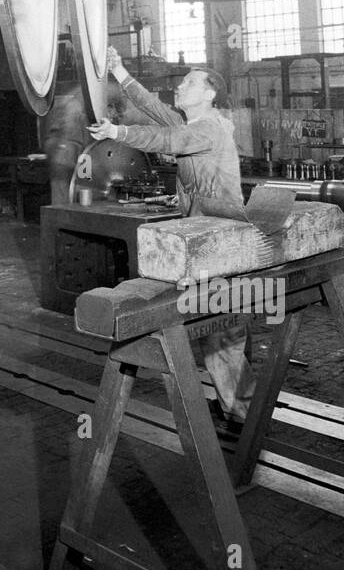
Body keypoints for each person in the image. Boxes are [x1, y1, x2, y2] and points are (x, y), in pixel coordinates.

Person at [88, 48, 255, 427]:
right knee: (218, 325)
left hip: (223, 239)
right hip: (203, 236)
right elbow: (153, 109)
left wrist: (118, 132)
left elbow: (165, 139)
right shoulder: (190, 121)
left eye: (190, 82)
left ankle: (243, 413)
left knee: (224, 328)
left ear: (211, 93)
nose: (180, 86)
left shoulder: (208, 128)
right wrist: (119, 69)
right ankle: (236, 405)